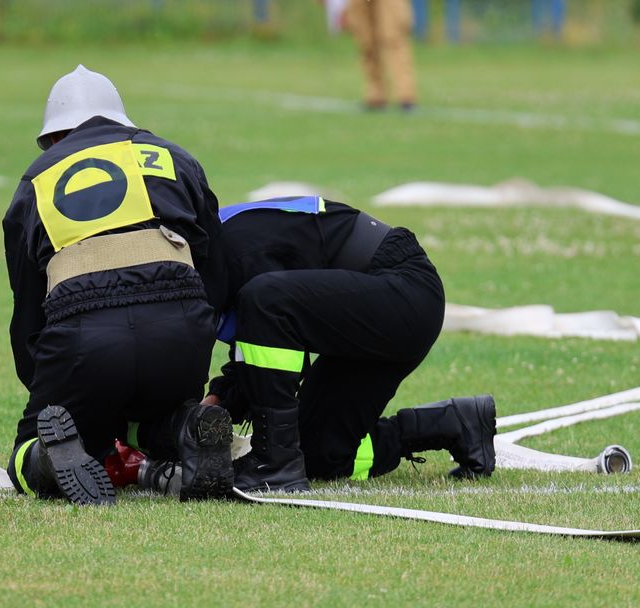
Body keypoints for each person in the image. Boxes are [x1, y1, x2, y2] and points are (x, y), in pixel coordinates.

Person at [2, 65, 234, 506]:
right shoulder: (174, 158)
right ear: (123, 122)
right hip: (180, 325)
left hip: (84, 335)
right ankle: (188, 426)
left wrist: (52, 393)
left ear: (53, 139)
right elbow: (216, 271)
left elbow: (27, 314)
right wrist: (196, 337)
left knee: (25, 454)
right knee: (159, 416)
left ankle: (51, 459)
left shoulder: (35, 181)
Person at [203, 194, 495, 492]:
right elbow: (257, 346)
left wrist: (217, 405)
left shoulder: (228, 247)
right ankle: (456, 423)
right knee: (316, 455)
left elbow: (272, 334)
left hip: (405, 291)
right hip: (378, 309)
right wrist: (215, 404)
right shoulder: (206, 251)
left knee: (265, 302)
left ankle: (275, 465)